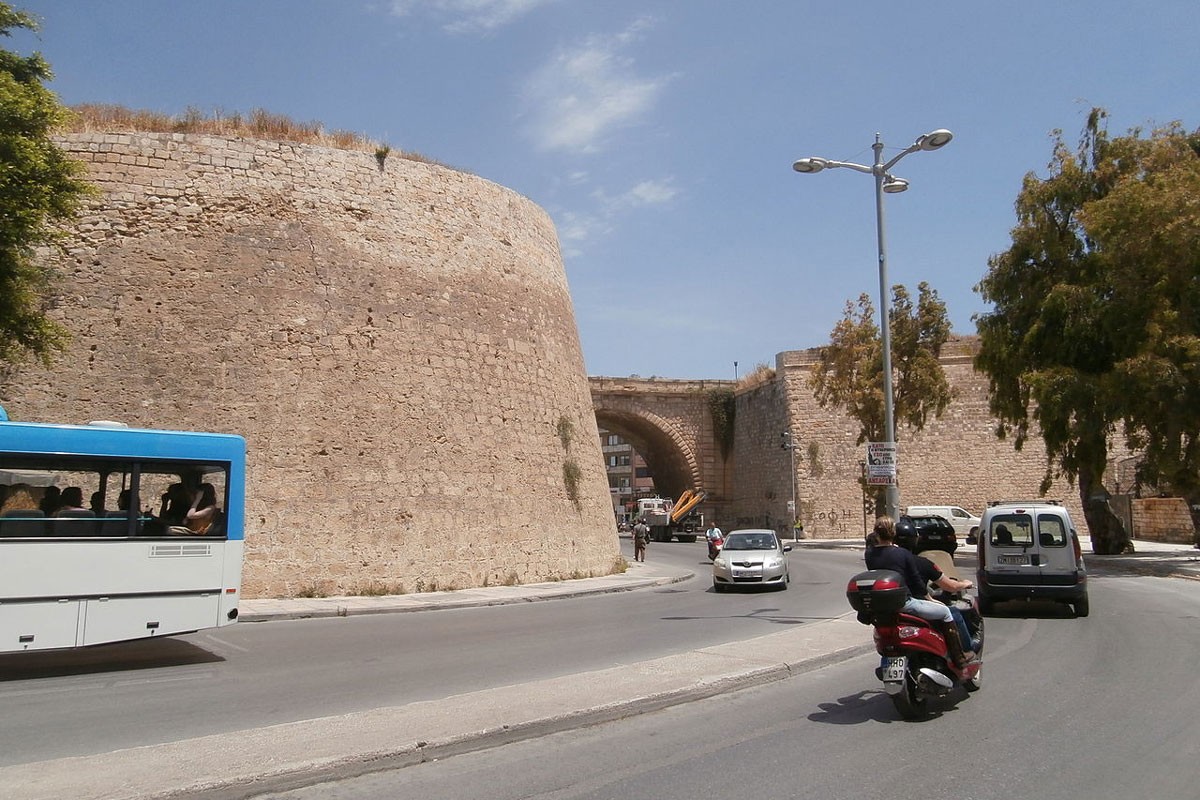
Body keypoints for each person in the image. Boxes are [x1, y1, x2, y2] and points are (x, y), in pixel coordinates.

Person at [864, 516, 977, 666]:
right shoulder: (903, 554)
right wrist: (930, 599)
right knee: (946, 612)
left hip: (882, 605)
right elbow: (916, 581)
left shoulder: (869, 554)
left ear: (876, 533)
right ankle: (959, 656)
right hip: (904, 603)